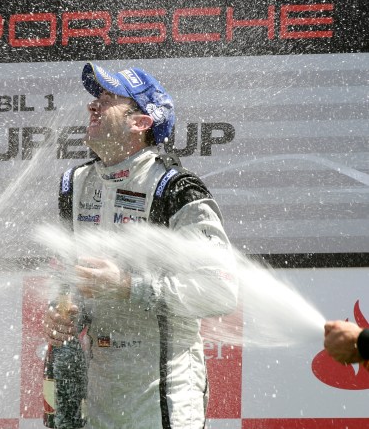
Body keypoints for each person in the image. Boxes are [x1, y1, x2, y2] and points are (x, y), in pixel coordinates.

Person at [43, 63, 238, 428]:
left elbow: (219, 291)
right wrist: (63, 311)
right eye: (96, 98)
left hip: (164, 401)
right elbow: (69, 277)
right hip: (99, 398)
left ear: (141, 122)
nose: (92, 106)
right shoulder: (76, 183)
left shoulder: (176, 188)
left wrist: (127, 286)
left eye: (108, 99)